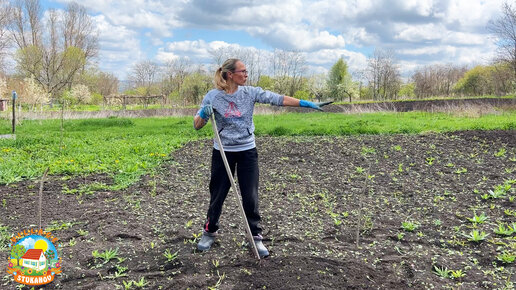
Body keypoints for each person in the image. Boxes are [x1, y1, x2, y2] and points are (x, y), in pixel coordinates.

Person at [194, 58, 331, 257]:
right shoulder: (213, 97)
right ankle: (210, 231)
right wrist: (204, 115)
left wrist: (306, 103)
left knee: (250, 196)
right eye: (243, 71)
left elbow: (278, 99)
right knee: (217, 194)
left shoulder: (250, 92)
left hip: (247, 151)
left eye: (246, 71)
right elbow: (196, 125)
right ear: (230, 74)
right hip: (223, 152)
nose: (246, 74)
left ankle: (255, 237)